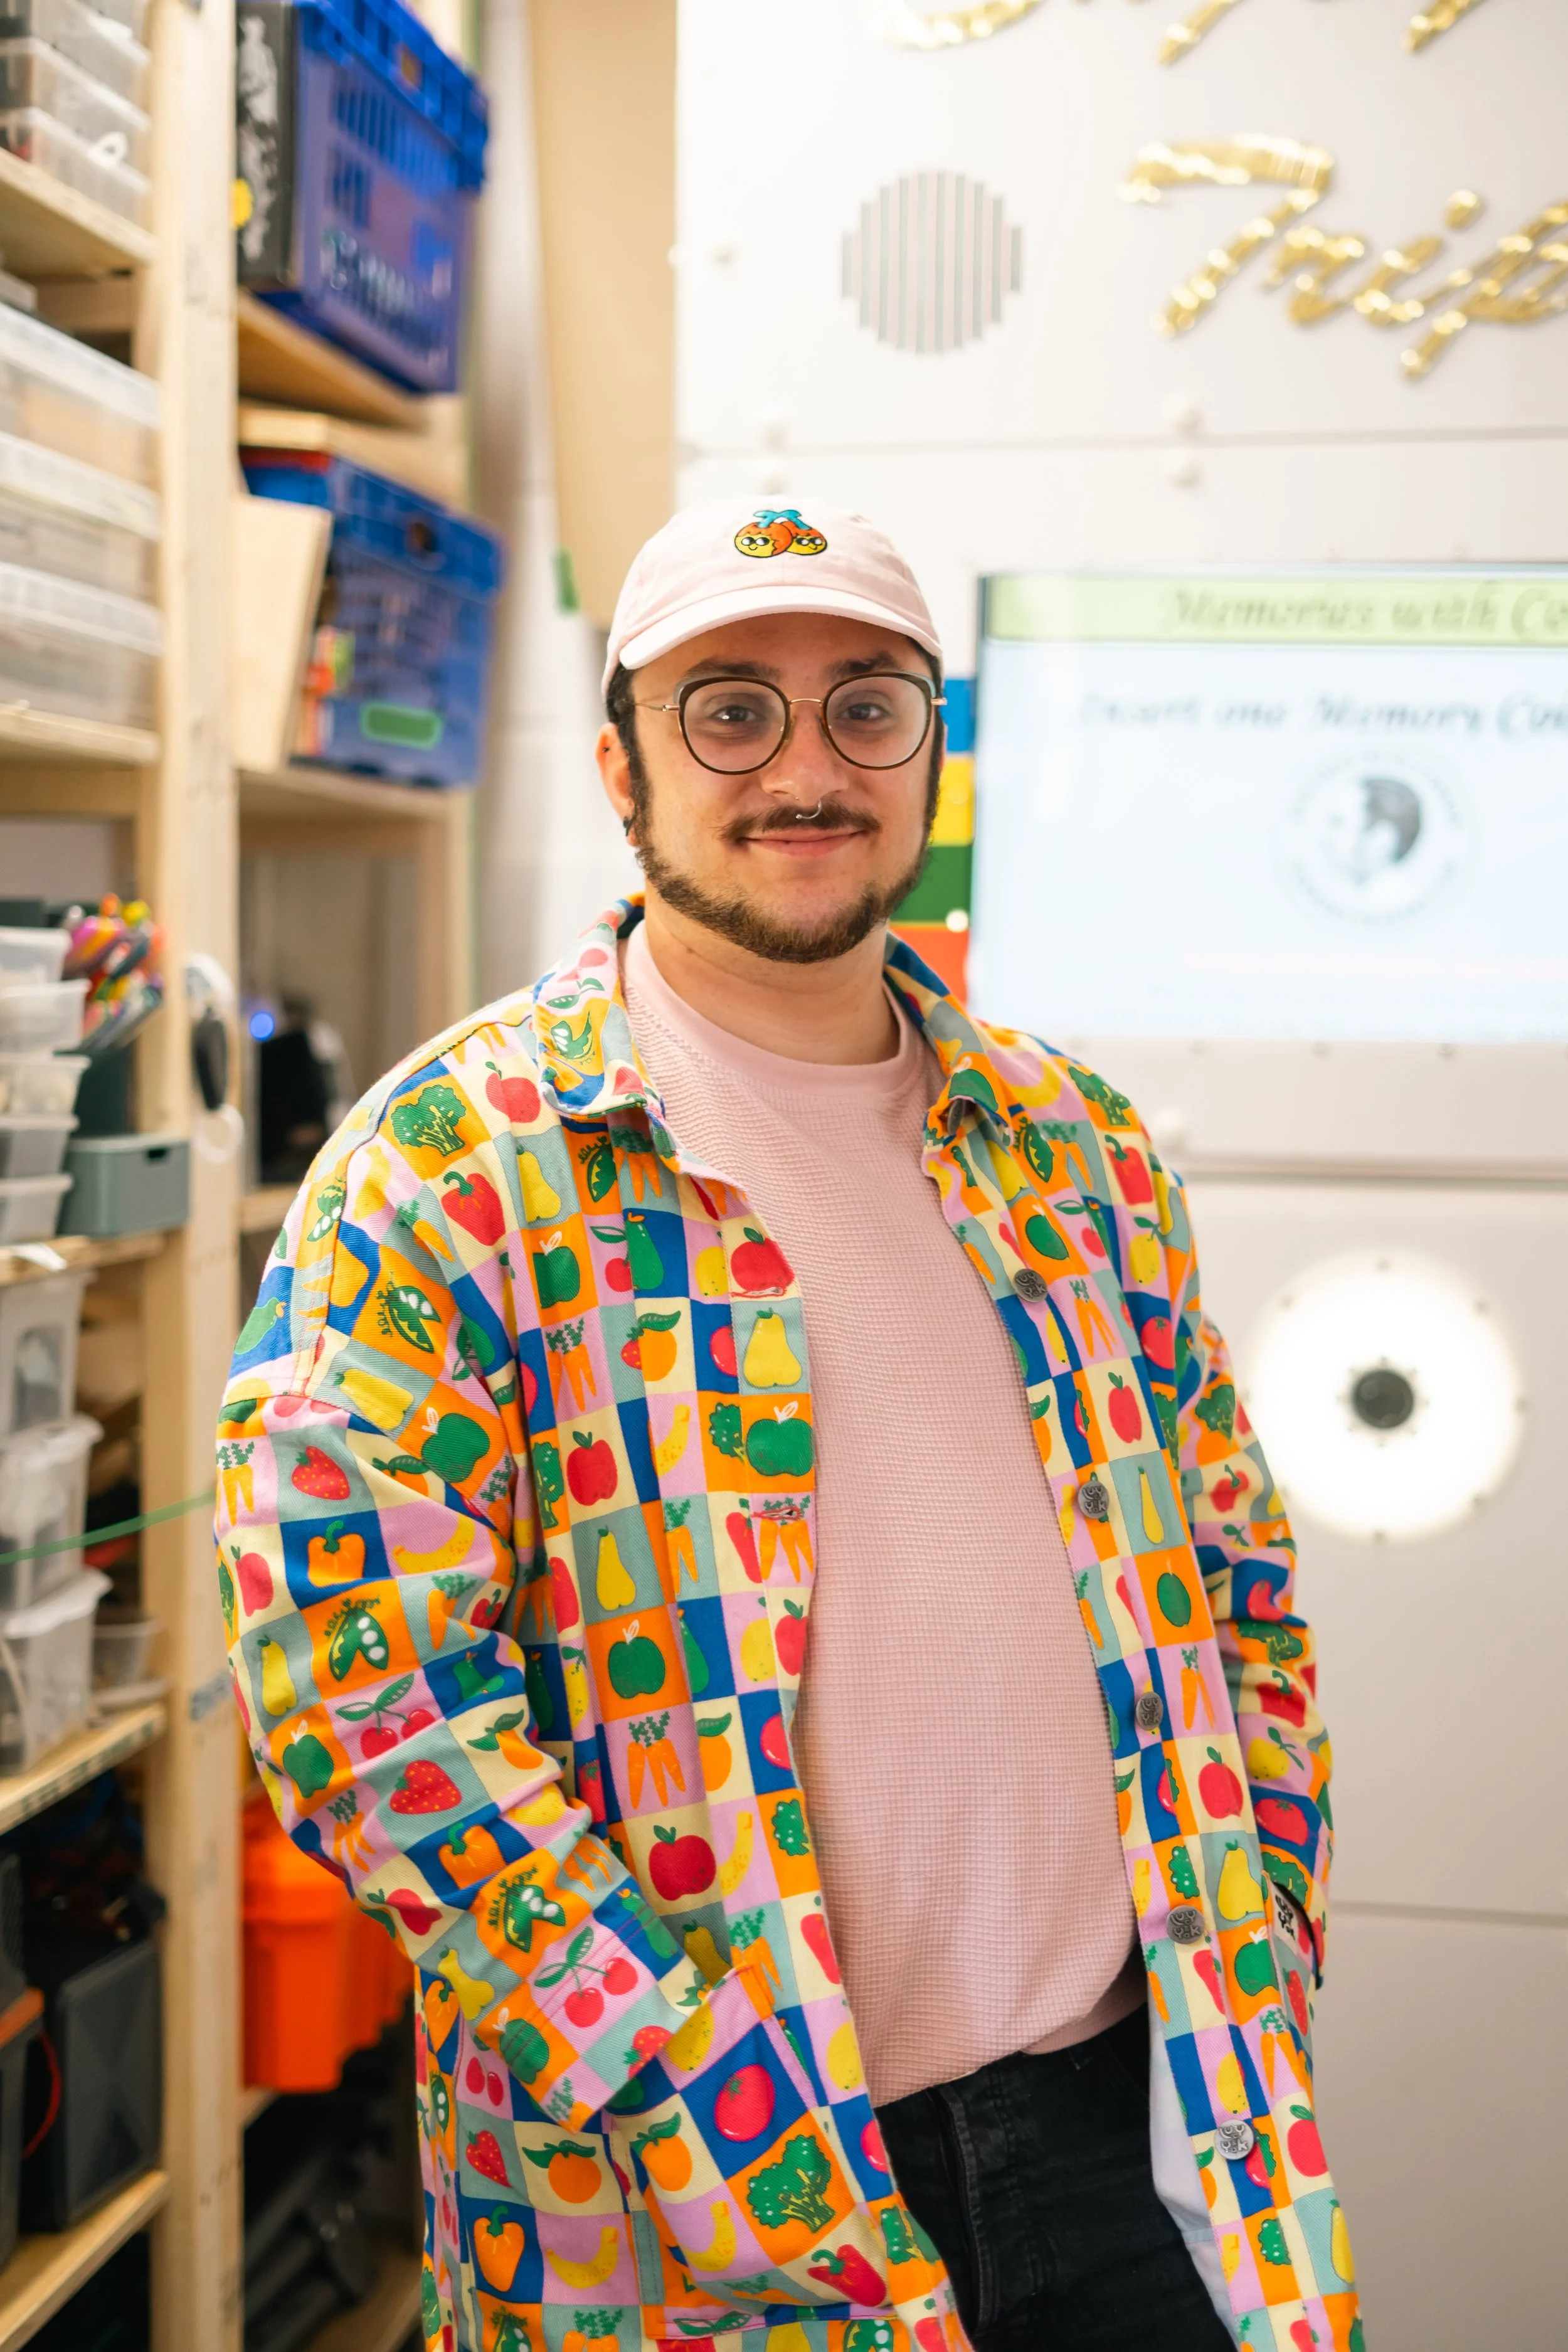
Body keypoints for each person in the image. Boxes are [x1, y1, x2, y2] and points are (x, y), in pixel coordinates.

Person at [217, 504, 1355, 2352]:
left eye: (865, 710)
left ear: (931, 757)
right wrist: (662, 2068)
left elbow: (1239, 1594)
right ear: (623, 768)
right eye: (728, 711)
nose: (805, 770)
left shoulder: (1075, 1149)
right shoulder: (459, 1167)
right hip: (694, 2181)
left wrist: (1259, 1925)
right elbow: (362, 1699)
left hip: (1139, 2119)